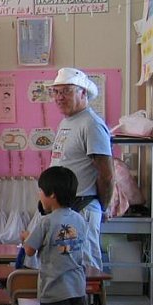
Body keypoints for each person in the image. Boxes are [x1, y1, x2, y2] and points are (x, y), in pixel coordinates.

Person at [22, 166, 105, 305]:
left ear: (52, 195)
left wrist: (25, 238)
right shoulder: (79, 218)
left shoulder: (46, 222)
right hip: (76, 288)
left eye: (41, 192)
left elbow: (29, 250)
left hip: (53, 290)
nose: (39, 196)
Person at [47, 67, 114, 270]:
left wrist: (102, 207)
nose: (60, 97)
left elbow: (107, 175)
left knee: (86, 272)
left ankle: (89, 304)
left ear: (83, 92)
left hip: (83, 208)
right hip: (64, 209)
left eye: (67, 91)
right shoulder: (67, 122)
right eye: (56, 92)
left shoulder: (91, 124)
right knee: (66, 270)